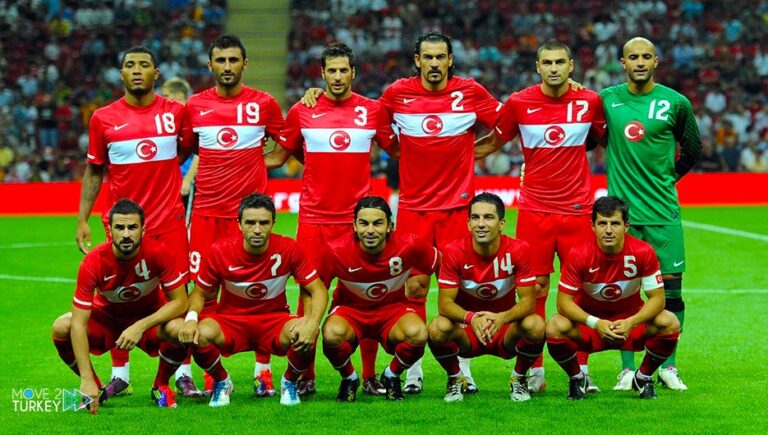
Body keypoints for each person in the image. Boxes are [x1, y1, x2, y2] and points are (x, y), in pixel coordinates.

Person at [474, 40, 606, 393]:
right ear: (537, 66)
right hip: (534, 210)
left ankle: (580, 369)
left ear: (571, 65)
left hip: (577, 210)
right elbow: (490, 143)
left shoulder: (590, 101)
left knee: (580, 290)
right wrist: (440, 156)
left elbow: (607, 139)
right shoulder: (520, 102)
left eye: (560, 62)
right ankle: (533, 368)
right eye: (547, 62)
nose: (553, 68)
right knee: (535, 289)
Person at [265, 42, 397, 397]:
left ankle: (368, 376)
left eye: (344, 70)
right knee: (309, 299)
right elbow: (281, 155)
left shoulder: (372, 110)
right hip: (314, 221)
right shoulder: (302, 110)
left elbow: (398, 149)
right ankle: (304, 374)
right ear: (321, 74)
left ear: (353, 73)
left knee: (365, 297)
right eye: (331, 71)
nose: (337, 76)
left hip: (359, 224)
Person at [75, 46, 192, 399]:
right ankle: (120, 374)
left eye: (144, 64)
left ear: (156, 73)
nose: (137, 70)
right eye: (129, 65)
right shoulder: (103, 118)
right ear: (121, 74)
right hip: (124, 226)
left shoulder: (175, 113)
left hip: (168, 224)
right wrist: (82, 218)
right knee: (117, 299)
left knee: (177, 300)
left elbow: (185, 151)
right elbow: (95, 169)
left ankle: (180, 375)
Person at [181, 34, 285, 397]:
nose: (227, 66)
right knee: (203, 294)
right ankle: (212, 374)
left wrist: (260, 161)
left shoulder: (265, 104)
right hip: (208, 214)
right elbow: (188, 149)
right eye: (220, 60)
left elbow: (286, 144)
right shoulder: (194, 106)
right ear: (210, 65)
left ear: (245, 64)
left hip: (251, 216)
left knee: (262, 294)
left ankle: (263, 372)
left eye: (233, 60)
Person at [600, 37, 701, 391]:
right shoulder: (607, 99)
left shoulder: (676, 103)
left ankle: (668, 366)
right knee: (625, 294)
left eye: (646, 56)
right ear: (622, 62)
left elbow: (692, 148)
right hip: (622, 218)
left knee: (671, 295)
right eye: (632, 57)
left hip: (663, 213)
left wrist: (669, 178)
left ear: (656, 61)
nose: (639, 62)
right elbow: (586, 134)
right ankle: (627, 368)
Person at [177, 193, 329, 407]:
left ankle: (289, 382)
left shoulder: (288, 248)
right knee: (197, 335)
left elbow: (318, 289)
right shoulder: (219, 251)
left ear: (273, 223)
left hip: (274, 321)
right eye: (250, 223)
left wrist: (312, 323)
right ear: (239, 224)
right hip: (231, 321)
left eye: (264, 223)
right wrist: (191, 318)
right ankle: (222, 381)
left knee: (305, 333)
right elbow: (199, 293)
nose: (257, 229)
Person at [52, 199, 190, 413]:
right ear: (110, 230)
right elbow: (79, 323)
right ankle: (96, 388)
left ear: (143, 230)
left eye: (132, 227)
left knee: (181, 329)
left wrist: (140, 326)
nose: (126, 234)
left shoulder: (159, 252)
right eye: (120, 227)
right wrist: (86, 379)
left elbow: (181, 302)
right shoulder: (93, 262)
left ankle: (161, 385)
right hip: (107, 322)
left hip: (148, 321)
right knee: (61, 327)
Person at [546, 196, 681, 400]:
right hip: (591, 327)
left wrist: (631, 322)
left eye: (615, 224)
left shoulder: (643, 251)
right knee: (555, 326)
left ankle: (642, 378)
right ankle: (577, 378)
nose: (608, 230)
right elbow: (563, 302)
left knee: (670, 322)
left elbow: (657, 299)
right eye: (602, 223)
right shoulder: (579, 254)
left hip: (629, 325)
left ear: (626, 226)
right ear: (592, 226)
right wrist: (596, 323)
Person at [317, 196, 438, 402]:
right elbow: (317, 287)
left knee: (418, 334)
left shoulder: (410, 244)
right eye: (363, 223)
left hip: (392, 310)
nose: (370, 230)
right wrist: (312, 321)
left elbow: (443, 266)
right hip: (350, 311)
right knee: (330, 334)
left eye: (378, 223)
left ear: (390, 226)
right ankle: (349, 378)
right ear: (354, 226)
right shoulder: (335, 250)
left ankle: (391, 375)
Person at [428, 192, 545, 403]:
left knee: (536, 324)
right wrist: (472, 318)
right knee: (437, 327)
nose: (481, 224)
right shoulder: (454, 252)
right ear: (468, 223)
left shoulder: (519, 249)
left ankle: (518, 378)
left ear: (501, 223)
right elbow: (444, 304)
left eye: (488, 218)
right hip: (468, 332)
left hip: (504, 330)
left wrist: (501, 318)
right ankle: (456, 378)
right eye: (475, 217)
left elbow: (529, 301)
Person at [161, 77, 198, 221]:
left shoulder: (191, 116)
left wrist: (188, 180)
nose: (163, 100)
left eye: (166, 95)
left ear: (178, 95)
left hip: (187, 182)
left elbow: (200, 152)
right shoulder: (169, 118)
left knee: (186, 225)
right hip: (170, 182)